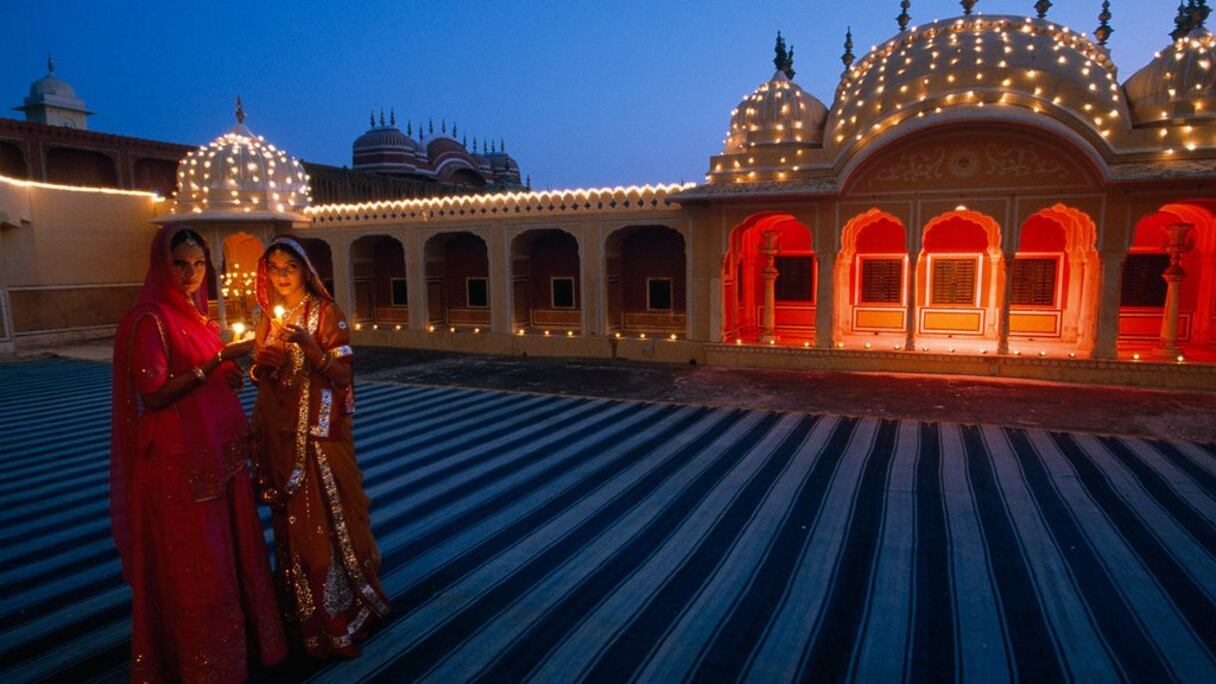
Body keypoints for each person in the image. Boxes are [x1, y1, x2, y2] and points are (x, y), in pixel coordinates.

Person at [110, 225, 287, 682]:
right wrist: (215, 361)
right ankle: (201, 661)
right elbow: (153, 393)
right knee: (198, 565)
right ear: (160, 265)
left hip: (217, 455)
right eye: (180, 264)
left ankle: (239, 646)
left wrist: (225, 373)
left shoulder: (195, 316)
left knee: (228, 554)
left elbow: (207, 380)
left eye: (197, 264)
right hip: (179, 464)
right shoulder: (149, 319)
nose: (190, 274)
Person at [249, 237, 389, 658]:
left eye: (290, 266)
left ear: (306, 270)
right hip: (280, 438)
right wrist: (261, 367)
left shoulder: (326, 313)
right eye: (274, 268)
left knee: (322, 531)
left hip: (318, 441)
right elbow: (265, 373)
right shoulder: (269, 319)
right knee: (292, 532)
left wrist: (310, 349)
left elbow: (343, 376)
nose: (282, 275)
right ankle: (303, 620)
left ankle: (338, 619)